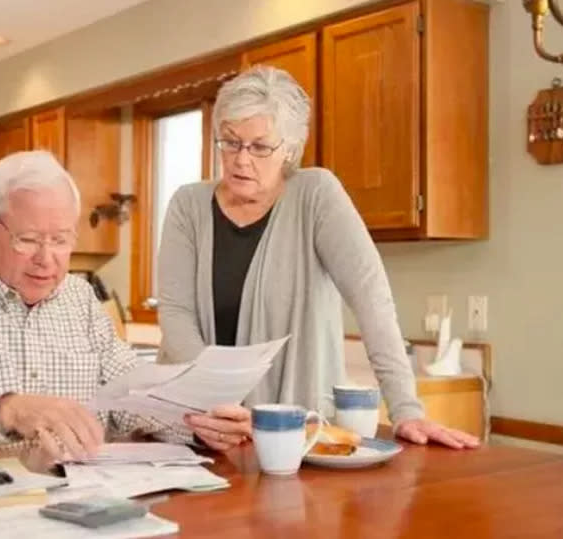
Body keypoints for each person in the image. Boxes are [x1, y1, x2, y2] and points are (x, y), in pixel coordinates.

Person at [0, 150, 251, 463]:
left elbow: (131, 401)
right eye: (27, 239)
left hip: (84, 513)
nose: (47, 259)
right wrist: (6, 412)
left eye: (61, 240)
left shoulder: (79, 300)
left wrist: (200, 423)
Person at [156, 66, 479, 449]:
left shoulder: (317, 196)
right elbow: (176, 315)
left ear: (290, 149)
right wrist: (215, 404)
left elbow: (371, 300)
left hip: (293, 432)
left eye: (260, 146)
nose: (242, 159)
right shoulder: (187, 206)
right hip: (198, 425)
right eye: (230, 142)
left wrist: (407, 409)